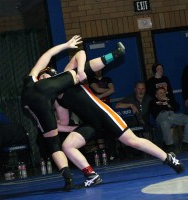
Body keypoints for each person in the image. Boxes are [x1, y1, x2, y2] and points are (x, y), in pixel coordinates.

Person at [55, 53, 185, 188]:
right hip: (90, 124)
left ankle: (168, 158)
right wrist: (48, 126)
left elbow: (79, 54)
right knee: (67, 146)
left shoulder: (67, 76)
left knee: (132, 141)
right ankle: (91, 175)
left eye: (45, 78)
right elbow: (63, 123)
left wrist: (81, 70)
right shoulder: (57, 100)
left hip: (104, 115)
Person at [21, 35, 125, 190]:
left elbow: (61, 124)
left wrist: (71, 129)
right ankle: (114, 55)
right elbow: (48, 55)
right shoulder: (41, 81)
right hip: (37, 97)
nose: (44, 76)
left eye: (46, 75)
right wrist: (67, 45)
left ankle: (68, 178)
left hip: (29, 105)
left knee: (54, 145)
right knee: (76, 73)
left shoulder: (42, 87)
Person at [149, 87, 188, 152]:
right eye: (160, 93)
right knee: (165, 122)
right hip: (161, 116)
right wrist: (162, 103)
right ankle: (169, 145)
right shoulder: (153, 102)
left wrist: (168, 101)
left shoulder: (169, 100)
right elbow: (155, 111)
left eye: (164, 92)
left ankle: (186, 143)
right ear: (156, 95)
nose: (163, 94)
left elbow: (177, 108)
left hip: (172, 115)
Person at [89, 70, 117, 161]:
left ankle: (112, 154)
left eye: (100, 69)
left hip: (107, 105)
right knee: (99, 129)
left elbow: (113, 90)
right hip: (97, 106)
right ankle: (102, 152)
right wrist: (108, 90)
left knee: (110, 129)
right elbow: (97, 89)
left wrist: (100, 96)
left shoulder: (107, 79)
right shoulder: (92, 80)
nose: (99, 71)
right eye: (97, 70)